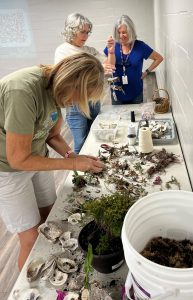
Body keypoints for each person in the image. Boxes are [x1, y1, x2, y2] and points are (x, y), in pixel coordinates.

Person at [0, 52, 105, 270]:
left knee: (50, 221)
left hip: (35, 158)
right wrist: (73, 165)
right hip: (7, 168)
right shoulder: (23, 91)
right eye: (79, 97)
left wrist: (73, 156)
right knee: (29, 237)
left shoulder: (56, 90)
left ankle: (54, 268)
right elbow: (18, 159)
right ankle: (28, 291)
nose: (75, 103)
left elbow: (52, 135)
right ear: (71, 81)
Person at [54, 13, 107, 154]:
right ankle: (81, 173)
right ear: (71, 31)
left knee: (96, 137)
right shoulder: (62, 51)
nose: (86, 36)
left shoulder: (88, 50)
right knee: (81, 143)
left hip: (93, 99)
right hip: (75, 103)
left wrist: (111, 52)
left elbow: (107, 64)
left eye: (88, 32)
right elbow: (65, 78)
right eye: (82, 32)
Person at [104, 15, 163, 105]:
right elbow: (109, 67)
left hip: (136, 93)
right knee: (118, 118)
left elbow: (159, 58)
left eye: (124, 32)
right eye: (118, 33)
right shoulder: (113, 46)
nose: (121, 36)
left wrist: (146, 72)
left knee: (136, 118)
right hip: (117, 93)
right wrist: (111, 52)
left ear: (130, 31)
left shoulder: (140, 46)